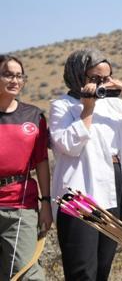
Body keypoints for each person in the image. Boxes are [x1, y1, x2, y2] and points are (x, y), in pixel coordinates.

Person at [49, 49, 122, 281]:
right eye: (95, 78)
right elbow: (68, 145)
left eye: (106, 78)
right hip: (80, 193)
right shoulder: (62, 105)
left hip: (113, 186)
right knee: (81, 267)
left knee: (103, 263)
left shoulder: (114, 105)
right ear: (78, 75)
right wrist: (87, 109)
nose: (101, 84)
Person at [0, 55, 52, 281]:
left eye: (19, 76)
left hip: (20, 207)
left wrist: (46, 204)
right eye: (8, 74)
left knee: (27, 274)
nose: (15, 80)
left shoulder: (33, 116)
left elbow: (41, 161)